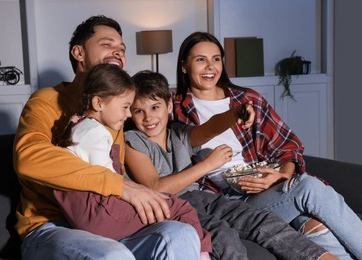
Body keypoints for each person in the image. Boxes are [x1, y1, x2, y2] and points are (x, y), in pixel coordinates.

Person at [13, 15, 201, 259]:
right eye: (107, 44)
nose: (118, 52)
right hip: (51, 226)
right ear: (79, 53)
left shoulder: (114, 112)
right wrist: (119, 185)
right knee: (112, 255)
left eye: (122, 49)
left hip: (105, 220)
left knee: (182, 234)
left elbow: (116, 168)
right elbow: (29, 158)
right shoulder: (46, 100)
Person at [172, 31, 362, 259]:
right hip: (225, 203)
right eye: (200, 59)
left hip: (267, 191)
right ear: (184, 66)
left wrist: (281, 176)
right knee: (309, 188)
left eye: (216, 59)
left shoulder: (247, 99)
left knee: (312, 225)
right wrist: (235, 115)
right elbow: (195, 133)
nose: (210, 67)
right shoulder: (174, 108)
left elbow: (289, 147)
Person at [124, 70, 335, 260]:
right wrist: (207, 165)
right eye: (138, 111)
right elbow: (155, 187)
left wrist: (237, 112)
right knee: (223, 236)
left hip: (204, 198)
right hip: (171, 206)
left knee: (262, 220)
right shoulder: (132, 140)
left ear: (168, 105)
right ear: (130, 113)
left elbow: (210, 128)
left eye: (154, 107)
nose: (148, 117)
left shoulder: (178, 132)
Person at [53, 63, 212, 259]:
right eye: (126, 107)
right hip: (98, 213)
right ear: (99, 103)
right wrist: (143, 196)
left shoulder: (78, 126)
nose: (128, 114)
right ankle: (202, 255)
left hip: (84, 212)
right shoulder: (96, 132)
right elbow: (110, 182)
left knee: (163, 206)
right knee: (180, 207)